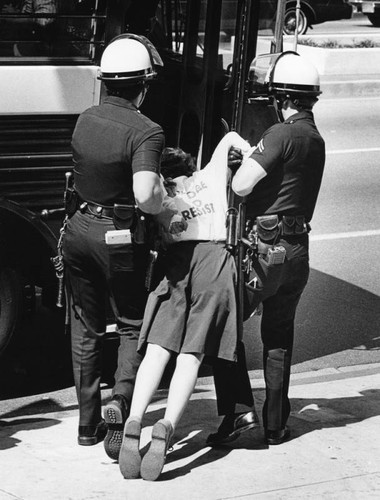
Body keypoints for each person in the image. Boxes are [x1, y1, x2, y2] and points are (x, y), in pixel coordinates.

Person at [117, 132, 260, 481]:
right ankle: (167, 426)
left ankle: (136, 417)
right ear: (188, 167)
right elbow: (227, 138)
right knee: (191, 355)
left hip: (177, 265)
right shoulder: (209, 176)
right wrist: (251, 151)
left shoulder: (160, 198)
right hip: (214, 261)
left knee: (157, 349)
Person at [208, 52, 326, 447]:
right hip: (297, 252)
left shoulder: (280, 134)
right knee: (278, 335)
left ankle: (240, 411)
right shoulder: (315, 138)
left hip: (265, 250)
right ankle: (275, 424)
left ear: (280, 97)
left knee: (224, 324)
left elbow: (241, 186)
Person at [61, 34, 165, 454]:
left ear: (106, 81)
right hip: (118, 238)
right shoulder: (147, 131)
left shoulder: (86, 117)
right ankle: (120, 402)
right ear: (143, 84)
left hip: (78, 228)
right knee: (129, 323)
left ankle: (87, 426)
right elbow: (145, 195)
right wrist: (162, 194)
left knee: (85, 327)